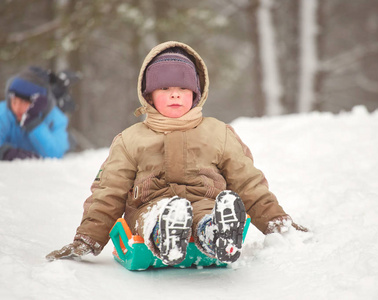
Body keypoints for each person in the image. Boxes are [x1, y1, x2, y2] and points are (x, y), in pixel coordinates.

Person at [46, 41, 307, 266]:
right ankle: (166, 234)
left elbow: (249, 184)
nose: (175, 95)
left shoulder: (218, 133)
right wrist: (86, 239)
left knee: (209, 213)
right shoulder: (131, 140)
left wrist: (277, 223)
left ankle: (216, 234)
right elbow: (108, 193)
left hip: (205, 203)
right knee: (156, 215)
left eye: (182, 89)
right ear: (148, 95)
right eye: (165, 89)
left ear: (195, 94)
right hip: (149, 209)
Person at [0, 66, 70, 160]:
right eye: (14, 101)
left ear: (39, 103)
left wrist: (34, 123)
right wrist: (7, 153)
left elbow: (55, 154)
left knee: (70, 143)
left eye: (24, 102)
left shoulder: (56, 119)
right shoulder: (4, 113)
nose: (17, 108)